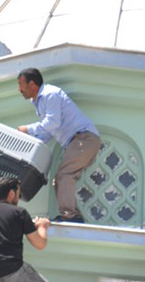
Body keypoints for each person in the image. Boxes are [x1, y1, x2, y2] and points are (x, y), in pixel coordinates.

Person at [17, 68, 101, 223]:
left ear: (32, 84)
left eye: (21, 84)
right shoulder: (38, 101)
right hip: (78, 141)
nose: (19, 89)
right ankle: (72, 215)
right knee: (61, 178)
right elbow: (50, 131)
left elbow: (52, 122)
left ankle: (70, 216)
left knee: (64, 175)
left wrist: (28, 128)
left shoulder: (50, 94)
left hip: (83, 138)